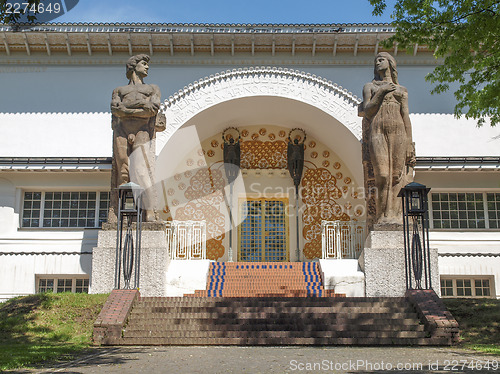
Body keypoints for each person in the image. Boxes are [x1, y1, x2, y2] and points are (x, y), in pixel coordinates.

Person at [359, 52, 415, 225]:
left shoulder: (401, 90)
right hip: (378, 130)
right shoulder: (371, 87)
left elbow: (405, 116)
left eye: (381, 60)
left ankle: (396, 216)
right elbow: (367, 110)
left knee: (397, 175)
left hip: (398, 131)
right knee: (382, 175)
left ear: (390, 63)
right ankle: (382, 215)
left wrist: (409, 143)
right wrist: (381, 92)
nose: (378, 62)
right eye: (376, 60)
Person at [110, 54, 165, 222]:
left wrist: (126, 109)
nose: (147, 67)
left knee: (141, 170)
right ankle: (120, 214)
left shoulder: (152, 88)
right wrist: (141, 105)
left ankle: (148, 211)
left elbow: (151, 111)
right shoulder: (119, 90)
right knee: (123, 172)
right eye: (143, 64)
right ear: (133, 66)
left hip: (142, 131)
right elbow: (116, 110)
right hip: (122, 131)